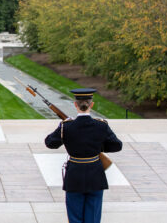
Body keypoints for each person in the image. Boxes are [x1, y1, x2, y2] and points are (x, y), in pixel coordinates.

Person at [44, 88, 122, 223]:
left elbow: (50, 143)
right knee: (93, 219)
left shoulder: (66, 127)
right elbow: (117, 145)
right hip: (95, 176)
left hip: (74, 176)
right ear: (91, 104)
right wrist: (98, 147)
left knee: (75, 218)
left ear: (75, 105)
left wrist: (64, 131)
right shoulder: (101, 126)